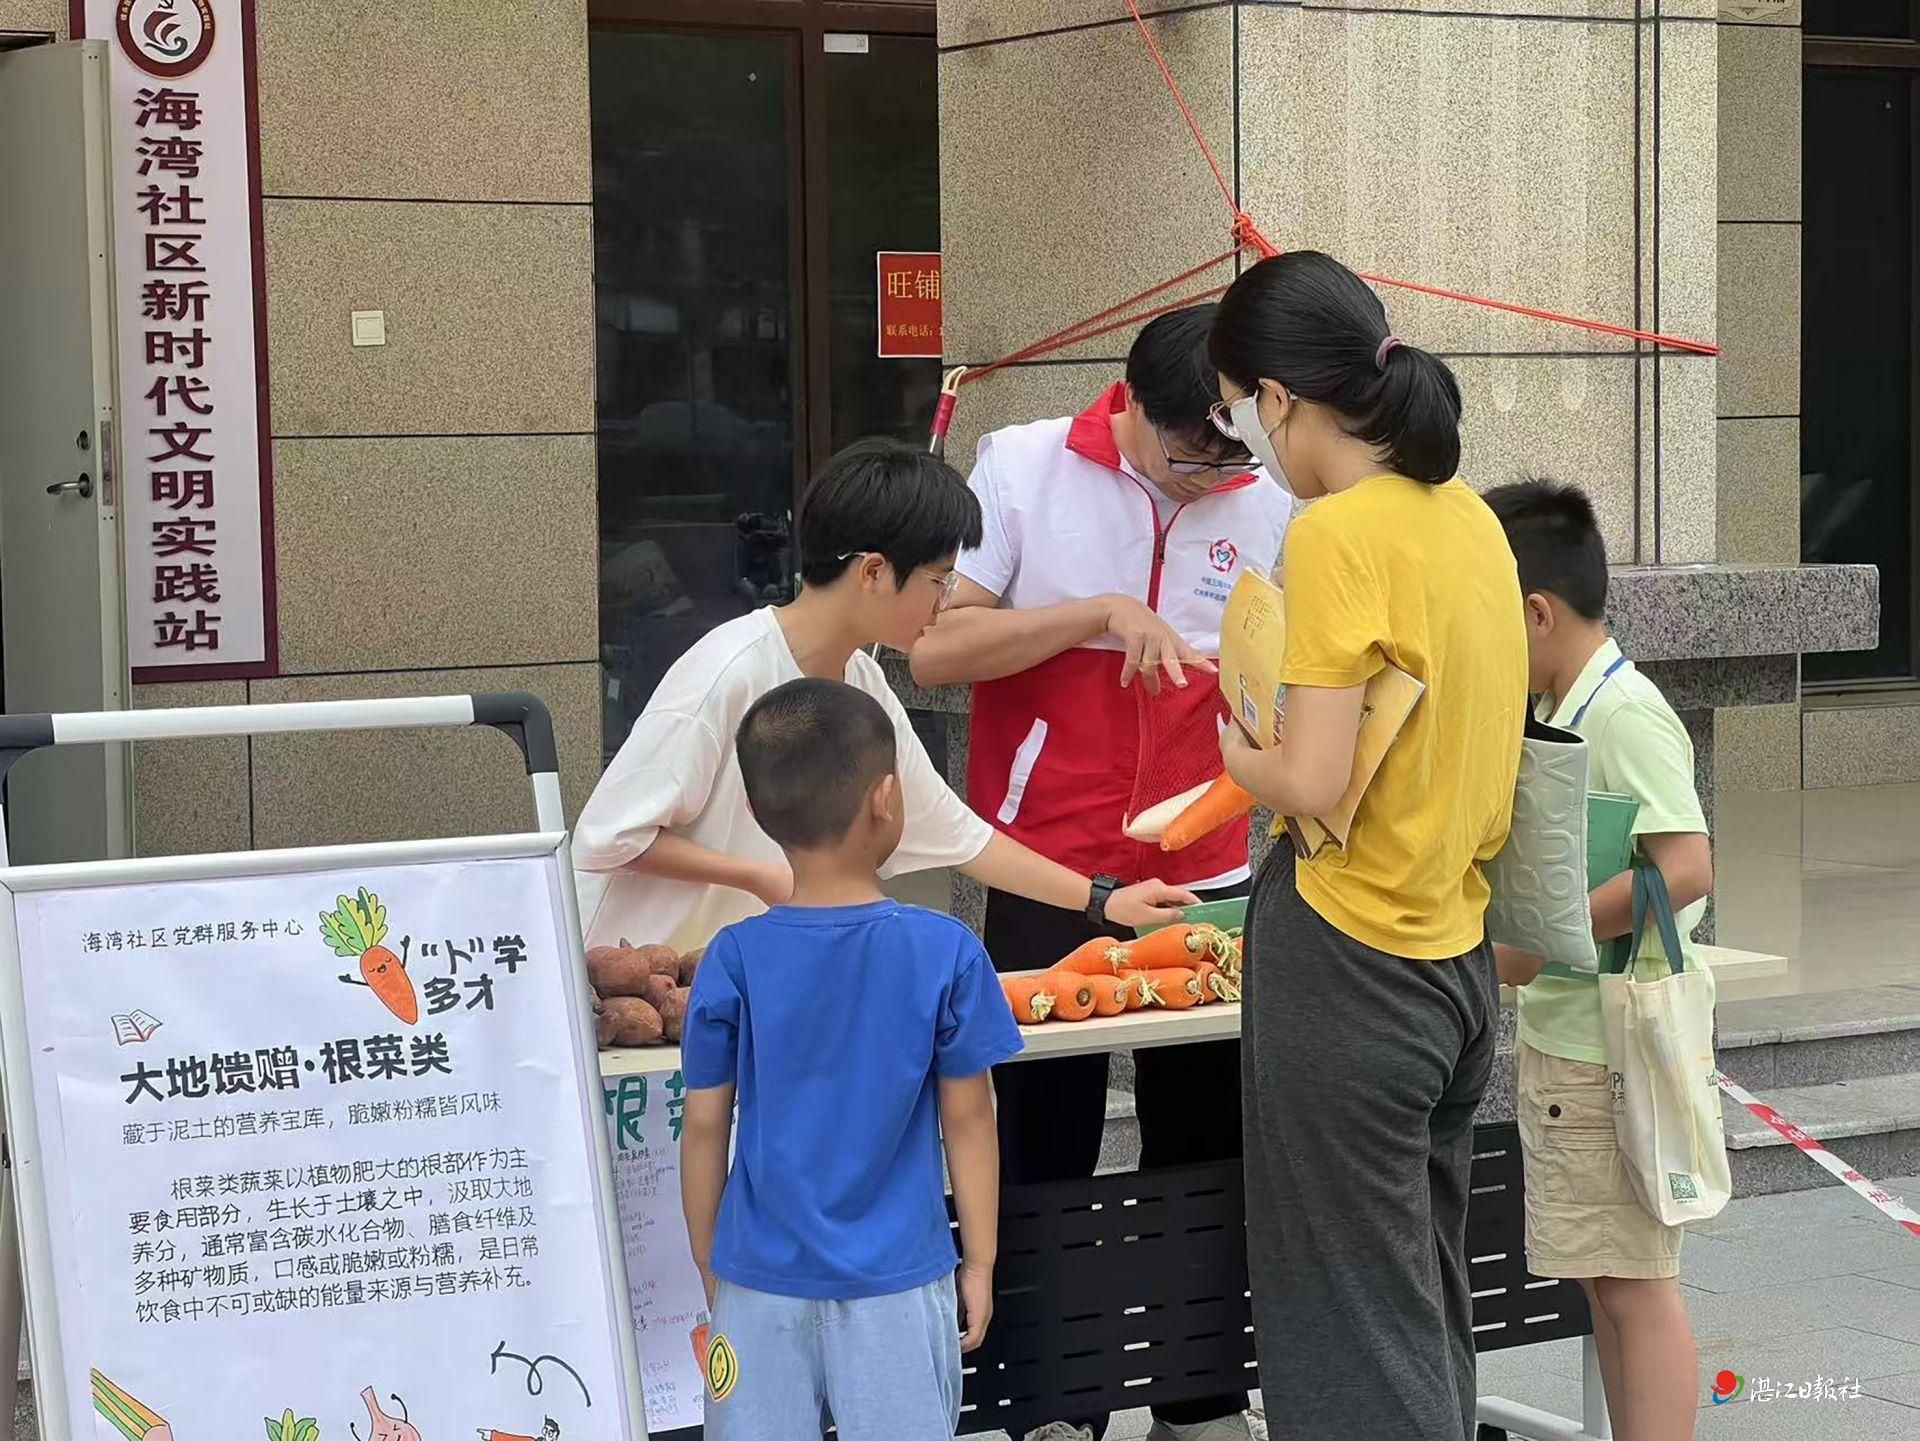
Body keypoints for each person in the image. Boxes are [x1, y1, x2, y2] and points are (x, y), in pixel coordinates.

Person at [912, 305, 1290, 1441]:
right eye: (1196, 453)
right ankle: (1051, 1403)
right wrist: (1096, 616)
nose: (1218, 476)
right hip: (1048, 870)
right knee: (1044, 1139)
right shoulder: (1022, 466)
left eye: (1235, 453)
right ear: (1132, 406)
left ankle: (1198, 1397)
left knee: (1206, 1138)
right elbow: (934, 648)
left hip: (1207, 870)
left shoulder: (1265, 493)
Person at [1206, 251, 1527, 1440]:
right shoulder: (1471, 520)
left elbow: (1310, 777)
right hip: (1454, 957)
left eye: (1246, 409)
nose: (1253, 436)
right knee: (1419, 1296)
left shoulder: (1334, 532)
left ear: (1280, 397)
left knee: (1344, 1319)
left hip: (1349, 956)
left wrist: (1237, 747)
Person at [571, 437, 1197, 960]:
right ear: (872, 572)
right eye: (939, 580)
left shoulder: (862, 680)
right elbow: (607, 839)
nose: (945, 602)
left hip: (741, 984)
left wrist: (1104, 900)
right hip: (639, 993)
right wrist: (761, 876)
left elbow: (957, 833)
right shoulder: (726, 670)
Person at [679, 677, 1022, 1439]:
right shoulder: (946, 950)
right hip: (899, 1274)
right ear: (886, 798)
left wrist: (709, 1260)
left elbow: (703, 1126)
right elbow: (971, 1121)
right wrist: (980, 1260)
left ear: (758, 812)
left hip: (758, 1273)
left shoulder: (733, 956)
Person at [1484, 478, 1712, 1441]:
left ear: (1537, 612)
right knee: (1606, 1285)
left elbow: (1687, 865)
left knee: (1635, 1285)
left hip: (1610, 1051)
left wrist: (1552, 929)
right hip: (1574, 1040)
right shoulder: (1565, 703)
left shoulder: (1622, 712)